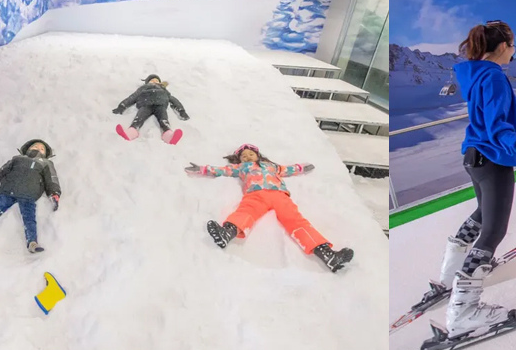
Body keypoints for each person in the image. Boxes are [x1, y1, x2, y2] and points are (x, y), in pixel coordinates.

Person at [431, 20, 516, 337]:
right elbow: (496, 128)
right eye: (513, 46)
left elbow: (487, 115)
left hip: (475, 156)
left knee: (483, 215)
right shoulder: (495, 76)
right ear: (502, 47)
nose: (514, 51)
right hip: (493, 157)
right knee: (493, 231)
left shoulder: (473, 71)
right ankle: (463, 311)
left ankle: (451, 272)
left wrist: (511, 114)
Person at [185, 143, 354, 272]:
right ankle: (226, 233)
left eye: (251, 154)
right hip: (255, 194)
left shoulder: (272, 166)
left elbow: (287, 169)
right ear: (240, 160)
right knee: (246, 212)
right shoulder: (241, 168)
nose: (248, 157)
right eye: (244, 156)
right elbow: (222, 170)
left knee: (297, 222)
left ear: (257, 155)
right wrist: (202, 169)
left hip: (279, 195)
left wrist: (301, 167)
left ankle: (328, 255)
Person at [113, 75, 189, 144]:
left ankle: (168, 134)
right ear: (147, 82)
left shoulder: (163, 89)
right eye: (152, 80)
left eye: (156, 80)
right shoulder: (143, 88)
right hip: (145, 104)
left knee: (163, 119)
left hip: (160, 105)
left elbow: (174, 100)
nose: (154, 81)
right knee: (139, 117)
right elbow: (133, 97)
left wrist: (181, 111)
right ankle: (131, 131)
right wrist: (122, 106)